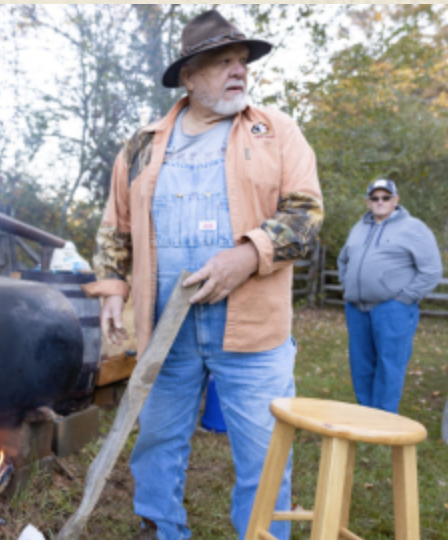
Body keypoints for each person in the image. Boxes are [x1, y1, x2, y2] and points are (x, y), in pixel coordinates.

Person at [80, 10, 323, 540]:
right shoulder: (141, 145)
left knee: (263, 453)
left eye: (242, 61)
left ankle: (261, 534)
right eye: (222, 62)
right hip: (165, 329)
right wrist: (114, 287)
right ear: (188, 76)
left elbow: (306, 215)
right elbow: (115, 226)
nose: (239, 71)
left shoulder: (274, 131)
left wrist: (248, 255)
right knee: (158, 441)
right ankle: (159, 528)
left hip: (252, 331)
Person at [337, 179, 442, 414]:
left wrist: (405, 297)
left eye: (386, 197)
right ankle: (367, 414)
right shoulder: (359, 227)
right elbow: (343, 260)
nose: (380, 202)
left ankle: (384, 419)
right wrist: (348, 286)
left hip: (392, 307)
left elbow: (432, 270)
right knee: (361, 364)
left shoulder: (414, 228)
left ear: (396, 200)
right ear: (367, 202)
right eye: (375, 198)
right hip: (356, 307)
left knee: (390, 364)